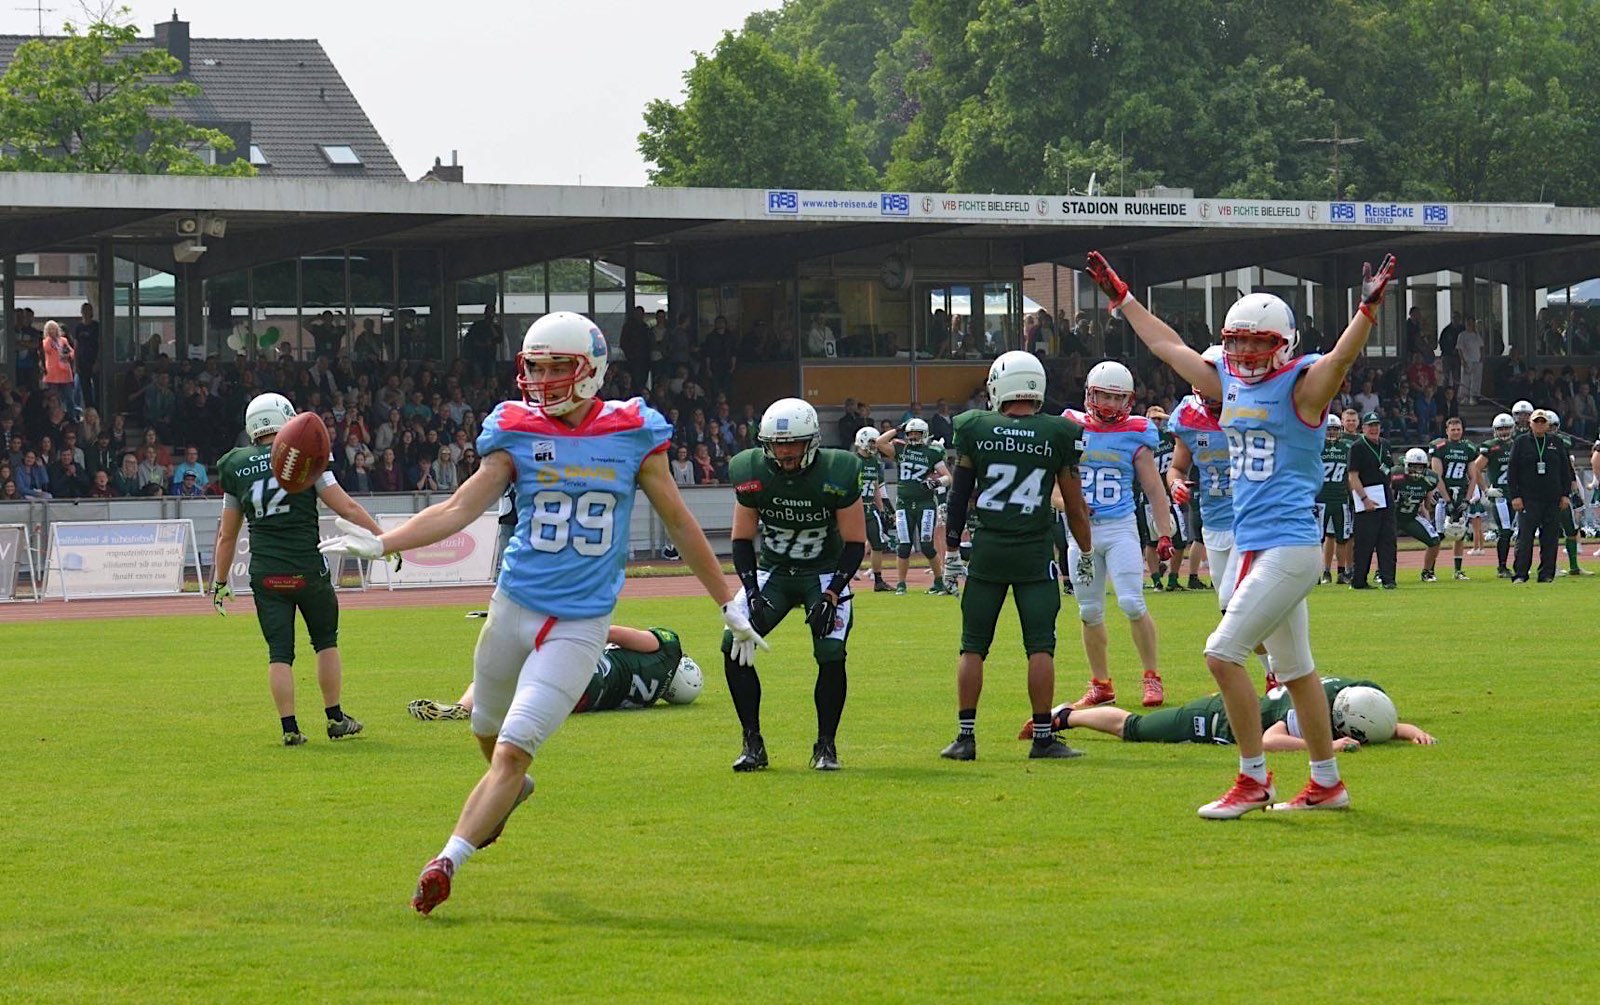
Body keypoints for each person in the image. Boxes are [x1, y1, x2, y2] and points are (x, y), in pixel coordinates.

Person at [318, 311, 761, 916]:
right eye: (537, 366)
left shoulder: (633, 429)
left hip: (580, 626)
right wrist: (386, 540)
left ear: (592, 368)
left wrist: (728, 599)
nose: (545, 380)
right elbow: (459, 506)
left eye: (559, 367)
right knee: (486, 735)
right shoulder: (515, 428)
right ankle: (508, 796)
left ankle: (446, 860)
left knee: (511, 750)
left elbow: (681, 523)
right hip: (513, 608)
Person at [1088, 248, 1396, 816]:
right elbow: (1167, 345)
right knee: (1299, 671)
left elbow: (1341, 360)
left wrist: (1366, 311)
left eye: (1260, 342)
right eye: (1239, 340)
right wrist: (1123, 297)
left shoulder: (1302, 388)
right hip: (1261, 541)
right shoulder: (1226, 379)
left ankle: (1254, 777)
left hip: (1285, 543)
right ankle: (1327, 783)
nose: (1247, 352)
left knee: (1221, 653)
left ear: (1283, 344)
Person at [937, 351, 1092, 761]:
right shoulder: (1058, 432)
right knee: (1040, 646)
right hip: (1033, 552)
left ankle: (965, 738)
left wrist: (952, 546)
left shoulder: (976, 427)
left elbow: (959, 494)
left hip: (988, 550)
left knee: (973, 646)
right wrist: (1087, 551)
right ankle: (1042, 737)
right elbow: (1074, 507)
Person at [210, 393, 389, 746]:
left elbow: (226, 534)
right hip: (307, 567)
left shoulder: (235, 465)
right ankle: (335, 718)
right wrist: (384, 538)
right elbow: (347, 508)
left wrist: (219, 581)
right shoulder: (305, 455)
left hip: (265, 572)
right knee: (325, 642)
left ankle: (289, 728)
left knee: (279, 653)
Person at [723, 398, 866, 771]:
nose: (783, 451)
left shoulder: (838, 470)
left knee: (831, 654)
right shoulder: (750, 469)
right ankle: (752, 743)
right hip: (774, 572)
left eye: (793, 443)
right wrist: (751, 591)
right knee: (732, 644)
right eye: (776, 443)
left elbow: (854, 542)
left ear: (812, 441)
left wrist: (833, 593)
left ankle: (826, 746)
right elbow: (741, 539)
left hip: (823, 572)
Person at [1061, 360, 1171, 709]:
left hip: (1120, 525)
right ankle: (1100, 683)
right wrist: (1072, 507)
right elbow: (1052, 487)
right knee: (1089, 611)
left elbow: (1154, 489)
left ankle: (1152, 677)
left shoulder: (1137, 432)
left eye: (1116, 397)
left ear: (1129, 400)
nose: (1109, 404)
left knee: (1131, 601)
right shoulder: (1069, 427)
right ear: (1089, 394)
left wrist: (1164, 533)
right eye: (1103, 396)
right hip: (1081, 533)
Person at [1033, 676, 1435, 750]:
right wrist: (1328, 744)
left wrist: (1409, 730)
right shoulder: (1307, 711)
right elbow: (1270, 740)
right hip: (1215, 718)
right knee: (1134, 728)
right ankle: (1065, 715)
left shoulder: (1354, 695)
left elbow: (1375, 721)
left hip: (1241, 704)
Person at [408, 626, 702, 720]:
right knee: (520, 692)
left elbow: (611, 632)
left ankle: (464, 708)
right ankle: (477, 709)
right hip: (581, 701)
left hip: (584, 671)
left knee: (504, 667)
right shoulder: (650, 699)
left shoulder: (668, 648)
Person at [1168, 346, 1235, 609]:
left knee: (1237, 603)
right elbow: (1177, 468)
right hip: (1214, 518)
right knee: (1226, 607)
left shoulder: (1251, 409)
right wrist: (1176, 485)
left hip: (1251, 517)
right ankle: (1269, 653)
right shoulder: (1189, 415)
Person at [875, 417, 952, 595]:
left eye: (917, 433)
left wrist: (936, 483)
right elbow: (879, 442)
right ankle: (901, 584)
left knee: (926, 545)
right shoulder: (902, 449)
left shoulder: (932, 452)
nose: (914, 437)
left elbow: (948, 477)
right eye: (910, 433)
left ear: (924, 434)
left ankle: (939, 581)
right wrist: (898, 428)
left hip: (925, 503)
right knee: (904, 545)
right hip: (904, 503)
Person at [1508, 410, 1575, 583]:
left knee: (1551, 538)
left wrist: (1565, 495)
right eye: (1536, 421)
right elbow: (1512, 471)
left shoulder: (1556, 442)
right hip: (1528, 498)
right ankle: (1521, 574)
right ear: (1530, 423)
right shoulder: (1521, 442)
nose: (1539, 424)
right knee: (1525, 538)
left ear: (1547, 424)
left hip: (1552, 498)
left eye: (1542, 422)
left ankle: (1546, 574)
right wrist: (1515, 496)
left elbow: (1566, 470)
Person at [1138, 406, 1189, 592]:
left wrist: (1165, 417)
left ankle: (1174, 579)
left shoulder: (1169, 436)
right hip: (1149, 497)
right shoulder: (1142, 438)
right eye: (1154, 419)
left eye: (1160, 419)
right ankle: (1156, 580)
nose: (1158, 422)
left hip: (1170, 494)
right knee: (1151, 542)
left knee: (1181, 540)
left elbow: (1180, 427)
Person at [1347, 411, 1397, 590]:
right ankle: (1359, 580)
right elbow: (1353, 476)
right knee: (1364, 542)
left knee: (1388, 539)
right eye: (1370, 426)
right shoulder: (1358, 447)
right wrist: (1364, 499)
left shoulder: (1385, 445)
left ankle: (1388, 579)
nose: (1374, 429)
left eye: (1376, 425)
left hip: (1385, 496)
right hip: (1366, 498)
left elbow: (1389, 471)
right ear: (1364, 428)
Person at [1429, 418, 1478, 580]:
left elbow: (1473, 477)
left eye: (1458, 429)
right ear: (1447, 430)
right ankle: (1430, 570)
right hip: (1445, 496)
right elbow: (1437, 476)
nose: (1456, 432)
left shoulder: (1468, 448)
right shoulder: (1440, 447)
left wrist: (1467, 499)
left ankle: (1457, 570)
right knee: (1439, 535)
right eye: (1453, 429)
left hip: (1461, 495)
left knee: (1460, 534)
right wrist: (1447, 500)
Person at [1390, 448, 1447, 582]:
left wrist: (1429, 506)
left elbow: (1427, 505)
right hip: (1393, 517)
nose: (1416, 471)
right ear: (1406, 466)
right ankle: (1381, 572)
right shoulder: (1396, 476)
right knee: (1385, 544)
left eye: (1419, 467)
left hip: (1411, 517)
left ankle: (1427, 571)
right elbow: (1388, 499)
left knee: (1434, 540)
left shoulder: (1429, 479)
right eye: (1413, 467)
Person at [1472, 413, 1518, 577]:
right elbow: (1475, 468)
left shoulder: (1518, 444)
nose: (1504, 432)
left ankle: (1519, 565)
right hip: (1500, 495)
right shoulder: (1491, 446)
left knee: (1518, 531)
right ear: (1494, 430)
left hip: (1517, 494)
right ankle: (1502, 567)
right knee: (1505, 530)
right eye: (1500, 429)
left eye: (1506, 428)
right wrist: (1485, 489)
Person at [1545, 412, 1589, 576]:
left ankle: (1574, 566)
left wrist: (1575, 490)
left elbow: (1568, 470)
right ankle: (1550, 566)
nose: (1550, 430)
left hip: (1562, 492)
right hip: (1544, 494)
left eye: (1552, 427)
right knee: (1549, 531)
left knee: (1571, 529)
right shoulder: (1533, 445)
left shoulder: (1562, 444)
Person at [852, 426, 894, 592]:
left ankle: (878, 580)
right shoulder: (853, 461)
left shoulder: (876, 462)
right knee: (850, 545)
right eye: (871, 442)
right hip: (854, 508)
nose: (874, 445)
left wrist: (882, 510)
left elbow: (876, 487)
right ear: (861, 441)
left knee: (877, 545)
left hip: (870, 508)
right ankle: (843, 580)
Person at [1314, 414, 1354, 584]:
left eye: (1334, 429)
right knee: (1318, 539)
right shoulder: (1317, 447)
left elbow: (1351, 474)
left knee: (1342, 538)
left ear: (1340, 431)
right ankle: (1318, 572)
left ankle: (1341, 572)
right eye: (1328, 429)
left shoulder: (1347, 447)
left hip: (1341, 498)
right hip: (1321, 499)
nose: (1331, 432)